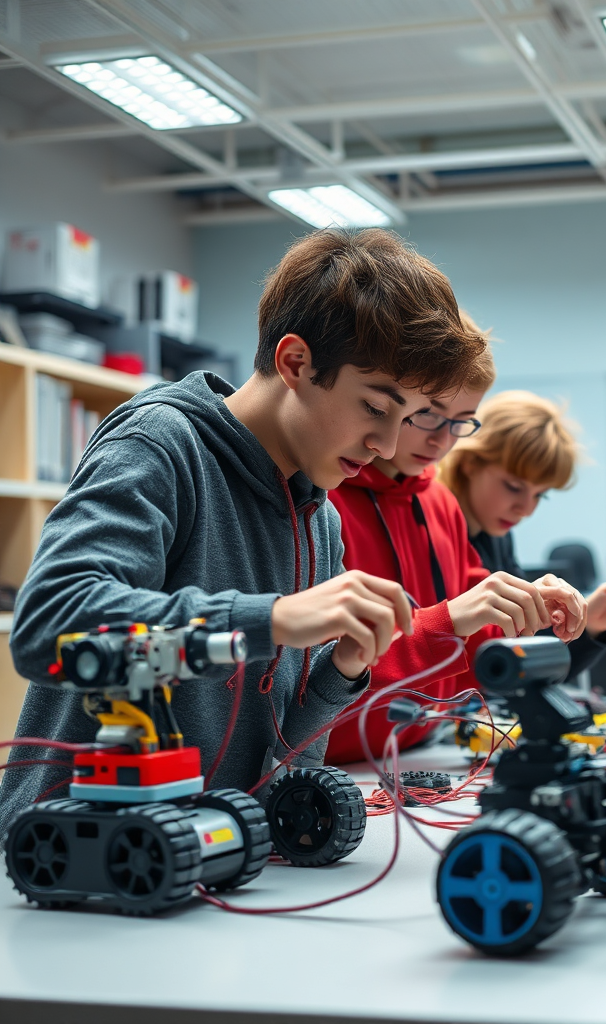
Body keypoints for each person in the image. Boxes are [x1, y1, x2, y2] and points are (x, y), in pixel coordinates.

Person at [0, 228, 486, 837]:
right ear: (295, 363)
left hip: (213, 861)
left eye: (405, 418)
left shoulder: (320, 515)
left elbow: (283, 756)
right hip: (75, 864)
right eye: (375, 408)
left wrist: (342, 671)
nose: (388, 445)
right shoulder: (159, 445)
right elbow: (51, 622)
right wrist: (273, 617)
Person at [324, 320, 589, 763]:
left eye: (462, 422)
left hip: (416, 752)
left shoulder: (439, 500)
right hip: (339, 760)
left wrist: (531, 608)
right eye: (428, 413)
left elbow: (478, 634)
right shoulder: (328, 499)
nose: (441, 439)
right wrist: (448, 619)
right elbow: (322, 672)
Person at [438, 389, 606, 672]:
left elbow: (520, 665)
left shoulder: (497, 535)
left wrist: (591, 624)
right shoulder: (432, 529)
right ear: (470, 462)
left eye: (540, 495)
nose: (526, 509)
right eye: (514, 487)